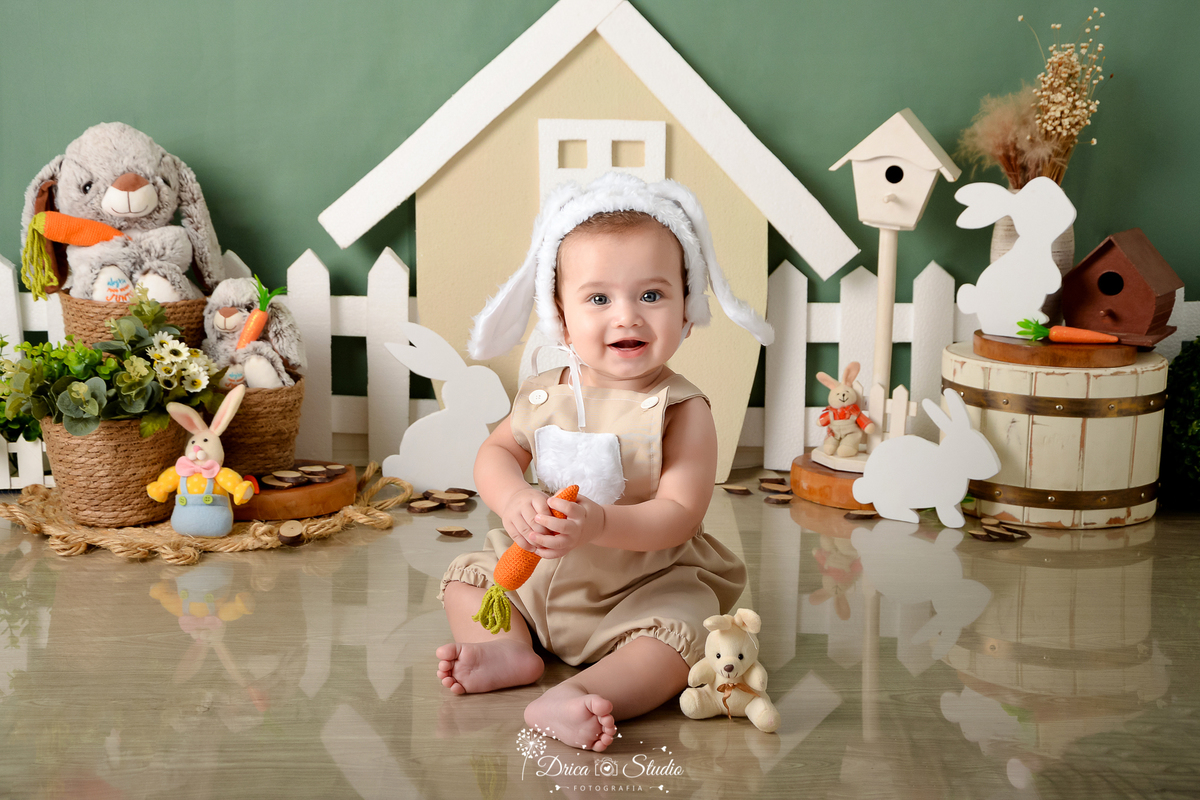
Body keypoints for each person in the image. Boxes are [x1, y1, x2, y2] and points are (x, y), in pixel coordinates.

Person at [435, 172, 773, 752]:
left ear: (687, 309)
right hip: (539, 575)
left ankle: (586, 693)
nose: (627, 316)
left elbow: (678, 513)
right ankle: (511, 649)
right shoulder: (543, 393)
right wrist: (514, 498)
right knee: (468, 582)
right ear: (561, 318)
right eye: (598, 298)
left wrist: (600, 524)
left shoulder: (683, 409)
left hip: (644, 585)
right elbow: (495, 453)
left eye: (651, 294)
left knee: (685, 636)